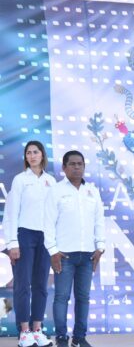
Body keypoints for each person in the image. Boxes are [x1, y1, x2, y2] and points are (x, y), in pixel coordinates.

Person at [43, 151, 106, 347]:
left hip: (87, 254)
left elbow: (99, 221)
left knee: (83, 297)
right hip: (64, 255)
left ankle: (79, 338)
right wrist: (53, 250)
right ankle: (61, 337)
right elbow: (48, 222)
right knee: (61, 297)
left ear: (84, 167)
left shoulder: (93, 191)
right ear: (64, 168)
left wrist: (100, 247)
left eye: (80, 164)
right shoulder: (56, 191)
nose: (77, 167)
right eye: (72, 164)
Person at [2, 141, 56, 347]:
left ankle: (37, 329)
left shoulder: (51, 181)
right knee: (23, 285)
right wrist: (12, 242)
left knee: (41, 286)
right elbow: (11, 213)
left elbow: (54, 214)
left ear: (43, 155)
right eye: (28, 153)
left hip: (45, 238)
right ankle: (24, 331)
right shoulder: (20, 180)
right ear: (26, 157)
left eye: (36, 152)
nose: (32, 156)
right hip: (24, 236)